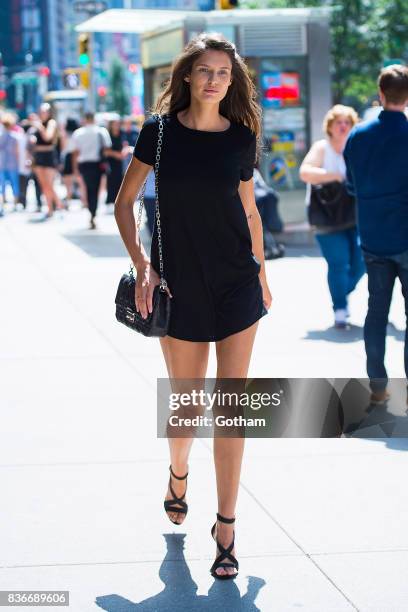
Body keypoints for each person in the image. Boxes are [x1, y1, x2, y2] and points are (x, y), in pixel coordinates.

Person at [115, 32, 272, 580]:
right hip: (178, 284)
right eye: (205, 70)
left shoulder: (241, 137)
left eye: (224, 73)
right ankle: (178, 472)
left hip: (236, 284)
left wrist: (263, 272)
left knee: (232, 407)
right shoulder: (158, 134)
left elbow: (249, 212)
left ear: (233, 80)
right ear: (187, 75)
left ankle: (226, 527)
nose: (214, 80)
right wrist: (144, 265)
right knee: (186, 406)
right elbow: (125, 201)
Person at [343, 65, 408, 404]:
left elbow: (351, 184)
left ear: (380, 94)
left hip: (373, 237)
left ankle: (378, 386)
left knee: (376, 311)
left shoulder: (358, 136)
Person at [300, 104, 365, 328]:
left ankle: (339, 293)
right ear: (330, 126)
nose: (343, 126)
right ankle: (339, 307)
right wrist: (335, 176)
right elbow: (305, 172)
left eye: (348, 122)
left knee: (361, 262)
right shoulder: (322, 148)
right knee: (338, 264)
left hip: (355, 215)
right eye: (339, 122)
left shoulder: (357, 147)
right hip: (327, 217)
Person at [71, 112, 111, 229]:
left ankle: (91, 211)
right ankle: (93, 211)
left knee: (88, 188)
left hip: (84, 164)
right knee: (96, 189)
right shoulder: (101, 131)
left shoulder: (78, 133)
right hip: (97, 164)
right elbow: (107, 148)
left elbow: (75, 152)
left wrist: (75, 168)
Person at [31, 103, 65, 218]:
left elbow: (47, 137)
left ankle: (60, 206)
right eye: (41, 111)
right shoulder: (37, 124)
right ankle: (50, 209)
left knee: (50, 185)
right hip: (38, 157)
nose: (42, 114)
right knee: (44, 186)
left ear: (49, 113)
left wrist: (39, 127)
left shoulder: (51, 123)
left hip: (49, 157)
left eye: (44, 111)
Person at [253, 166, 285, 260]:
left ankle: (268, 248)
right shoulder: (254, 172)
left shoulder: (253, 172)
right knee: (263, 227)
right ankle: (269, 247)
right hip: (260, 202)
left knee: (262, 227)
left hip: (259, 203)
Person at [0, 113, 19, 215]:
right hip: (12, 163)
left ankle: (2, 204)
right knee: (14, 184)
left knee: (2, 186)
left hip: (2, 163)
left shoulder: (1, 136)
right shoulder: (15, 137)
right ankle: (15, 203)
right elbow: (16, 152)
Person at [105, 119, 127, 206]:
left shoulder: (122, 133)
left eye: (118, 124)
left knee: (120, 180)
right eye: (115, 124)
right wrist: (116, 154)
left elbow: (125, 144)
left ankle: (119, 200)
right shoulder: (107, 135)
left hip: (121, 161)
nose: (117, 126)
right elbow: (105, 151)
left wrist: (124, 152)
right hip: (110, 162)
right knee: (111, 180)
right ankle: (111, 200)